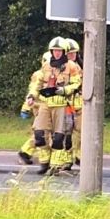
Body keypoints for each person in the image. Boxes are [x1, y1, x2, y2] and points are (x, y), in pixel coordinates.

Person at [33, 37, 80, 175]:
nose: (57, 53)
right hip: (46, 103)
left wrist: (64, 90)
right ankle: (44, 161)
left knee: (59, 138)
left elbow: (76, 83)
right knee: (39, 134)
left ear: (64, 51)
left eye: (59, 51)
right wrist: (31, 96)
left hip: (62, 104)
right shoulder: (46, 65)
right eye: (54, 50)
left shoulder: (72, 66)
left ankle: (55, 166)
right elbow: (38, 83)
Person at [18, 52, 51, 164]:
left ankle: (29, 152)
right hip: (40, 106)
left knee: (46, 132)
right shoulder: (39, 75)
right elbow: (32, 92)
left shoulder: (53, 73)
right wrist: (25, 108)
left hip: (48, 106)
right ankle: (26, 152)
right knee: (42, 132)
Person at [63, 38, 83, 166]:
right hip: (66, 105)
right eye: (69, 53)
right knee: (66, 134)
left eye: (74, 53)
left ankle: (80, 156)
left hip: (80, 104)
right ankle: (67, 160)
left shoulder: (82, 67)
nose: (72, 55)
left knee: (83, 131)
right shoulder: (61, 69)